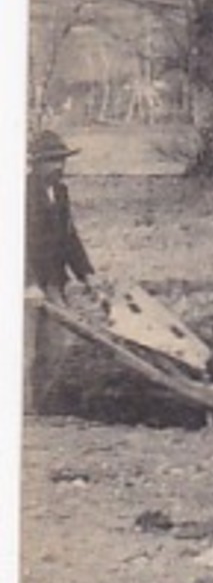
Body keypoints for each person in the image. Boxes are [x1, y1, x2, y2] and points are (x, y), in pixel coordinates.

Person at [24, 130, 98, 414]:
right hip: (25, 284)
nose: (59, 167)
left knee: (57, 347)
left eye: (62, 160)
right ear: (37, 163)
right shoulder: (20, 193)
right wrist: (28, 283)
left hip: (53, 281)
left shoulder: (61, 192)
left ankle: (40, 409)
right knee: (25, 351)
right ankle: (20, 416)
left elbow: (69, 238)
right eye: (52, 161)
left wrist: (86, 274)